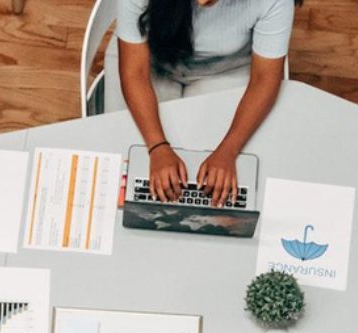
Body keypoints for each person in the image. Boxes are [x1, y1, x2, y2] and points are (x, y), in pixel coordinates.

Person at [109, 0, 299, 207]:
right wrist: (157, 146)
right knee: (125, 163)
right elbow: (134, 72)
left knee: (217, 172)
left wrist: (228, 151)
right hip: (151, 61)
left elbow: (265, 79)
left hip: (225, 68)